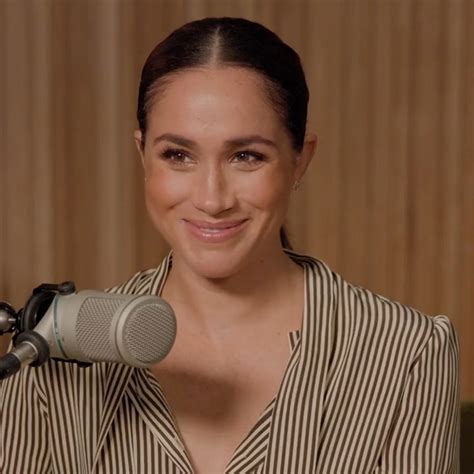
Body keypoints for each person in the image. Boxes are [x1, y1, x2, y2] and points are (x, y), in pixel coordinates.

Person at [0, 17, 458, 474]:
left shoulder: (409, 354)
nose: (212, 199)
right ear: (143, 155)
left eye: (246, 156)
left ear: (300, 160)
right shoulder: (48, 344)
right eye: (178, 155)